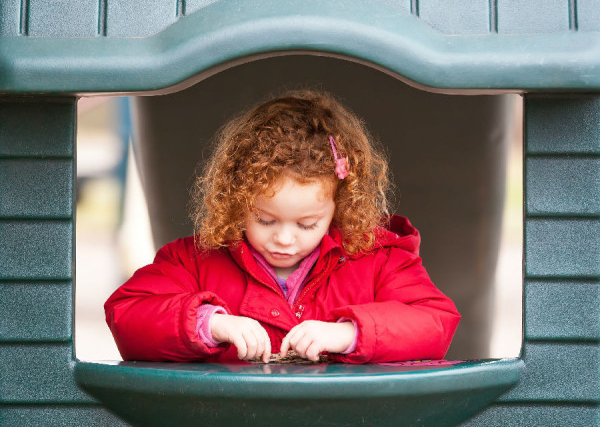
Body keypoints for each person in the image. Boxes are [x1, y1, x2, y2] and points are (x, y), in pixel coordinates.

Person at [105, 90, 460, 364]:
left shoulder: (378, 260)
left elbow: (434, 321)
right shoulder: (193, 261)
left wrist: (349, 334)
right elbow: (127, 314)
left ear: (340, 207)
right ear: (236, 199)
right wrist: (211, 324)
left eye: (308, 224)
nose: (284, 239)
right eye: (264, 219)